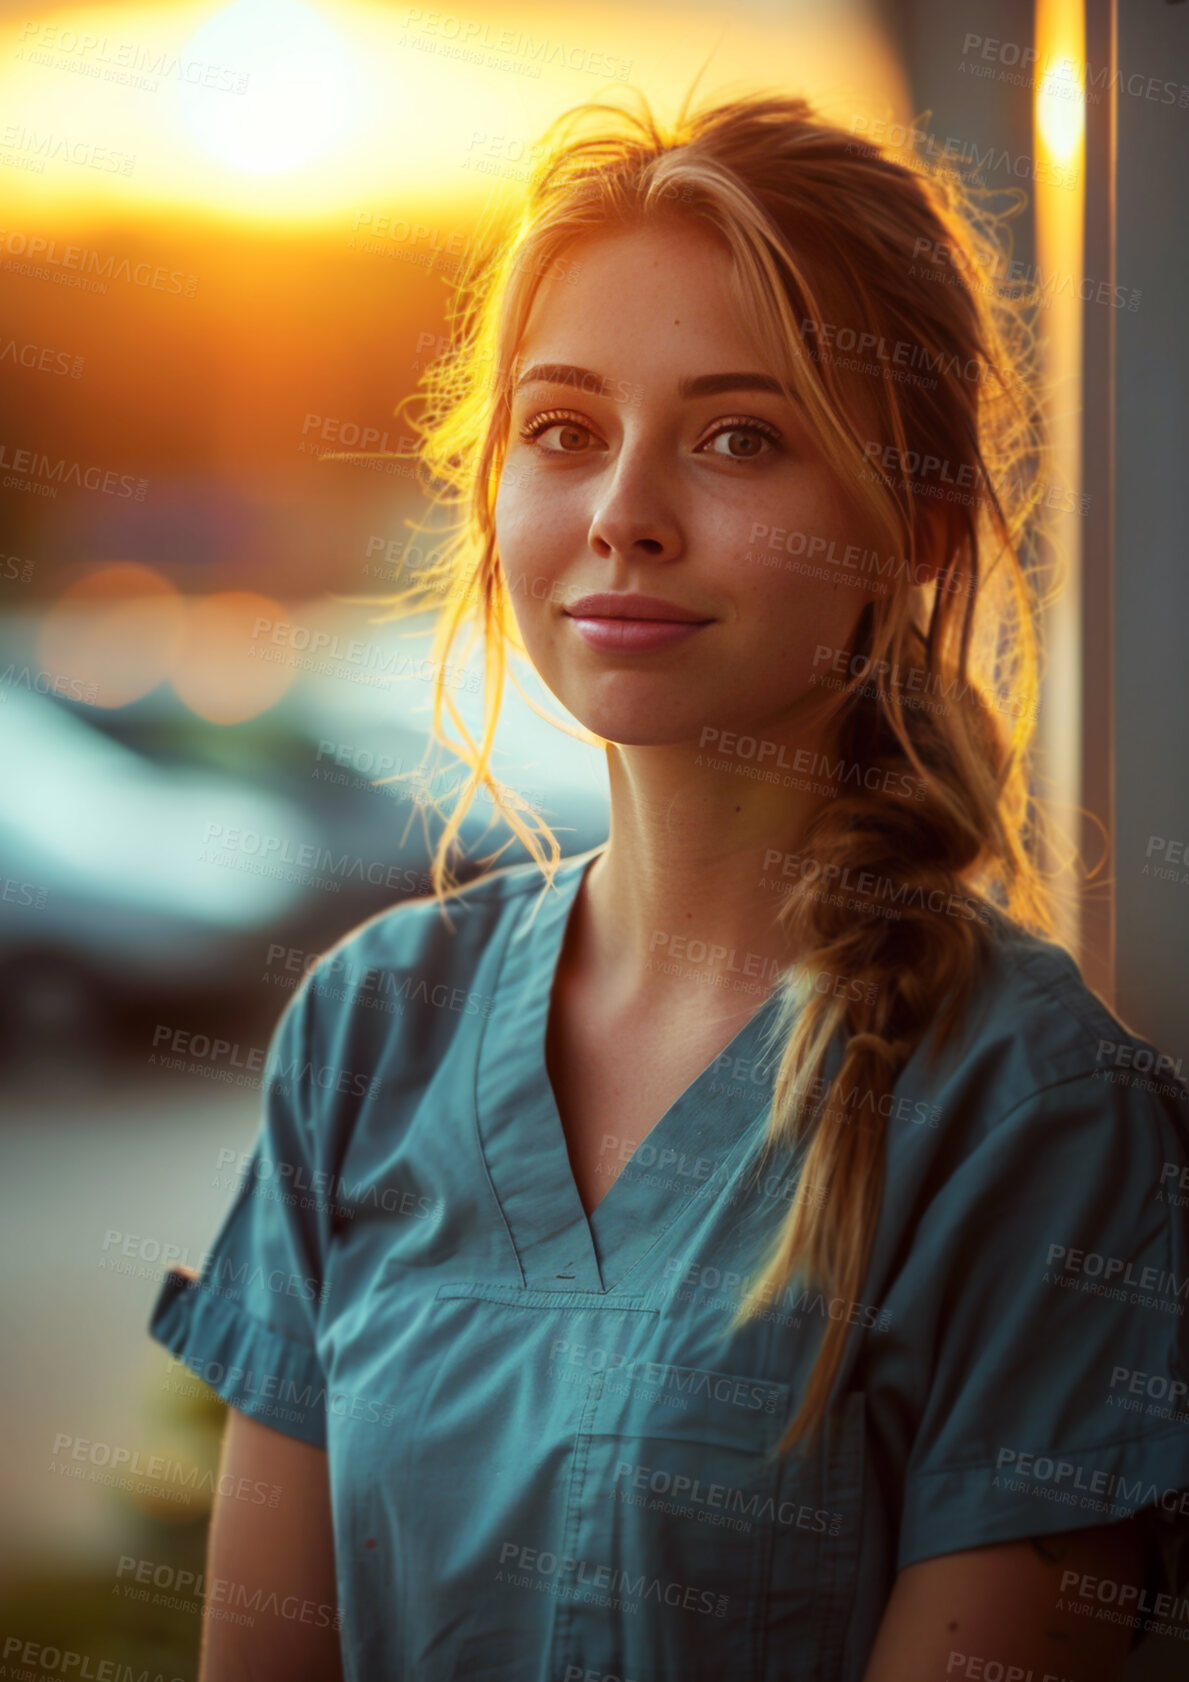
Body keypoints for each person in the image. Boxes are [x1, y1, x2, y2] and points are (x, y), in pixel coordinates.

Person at [148, 89, 1189, 1681]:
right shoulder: (370, 1027)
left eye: (737, 437)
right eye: (564, 430)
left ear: (910, 520)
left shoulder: (1036, 1112)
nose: (624, 514)